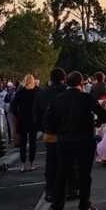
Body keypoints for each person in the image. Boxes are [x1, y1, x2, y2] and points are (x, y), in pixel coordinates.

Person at [44, 71, 106, 210]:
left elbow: (48, 121)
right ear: (81, 83)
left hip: (64, 140)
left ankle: (57, 209)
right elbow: (103, 115)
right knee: (84, 174)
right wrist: (97, 122)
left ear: (67, 82)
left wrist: (58, 130)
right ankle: (84, 205)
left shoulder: (58, 99)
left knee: (62, 174)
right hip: (84, 138)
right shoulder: (86, 98)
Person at [35, 68, 69, 202]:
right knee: (69, 162)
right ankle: (70, 189)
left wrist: (43, 128)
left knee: (51, 163)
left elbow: (36, 114)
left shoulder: (42, 94)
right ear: (64, 78)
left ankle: (50, 190)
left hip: (50, 133)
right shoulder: (67, 92)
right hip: (68, 132)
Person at [12, 74, 39, 171]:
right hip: (33, 120)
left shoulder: (20, 92)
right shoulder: (37, 91)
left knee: (23, 144)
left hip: (22, 120)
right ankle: (31, 164)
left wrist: (18, 116)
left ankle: (22, 165)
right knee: (32, 143)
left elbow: (13, 107)